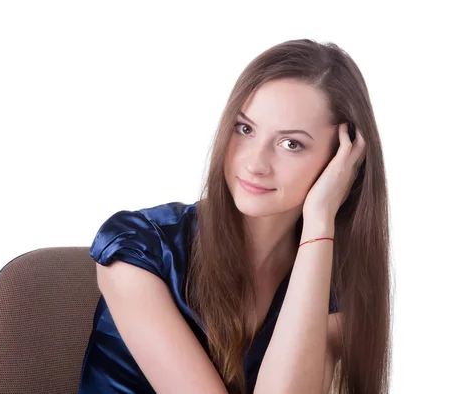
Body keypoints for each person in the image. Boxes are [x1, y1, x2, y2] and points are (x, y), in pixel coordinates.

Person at [78, 39, 392, 394]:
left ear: (341, 161)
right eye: (245, 128)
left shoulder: (325, 279)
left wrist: (321, 220)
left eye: (291, 144)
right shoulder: (139, 250)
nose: (255, 164)